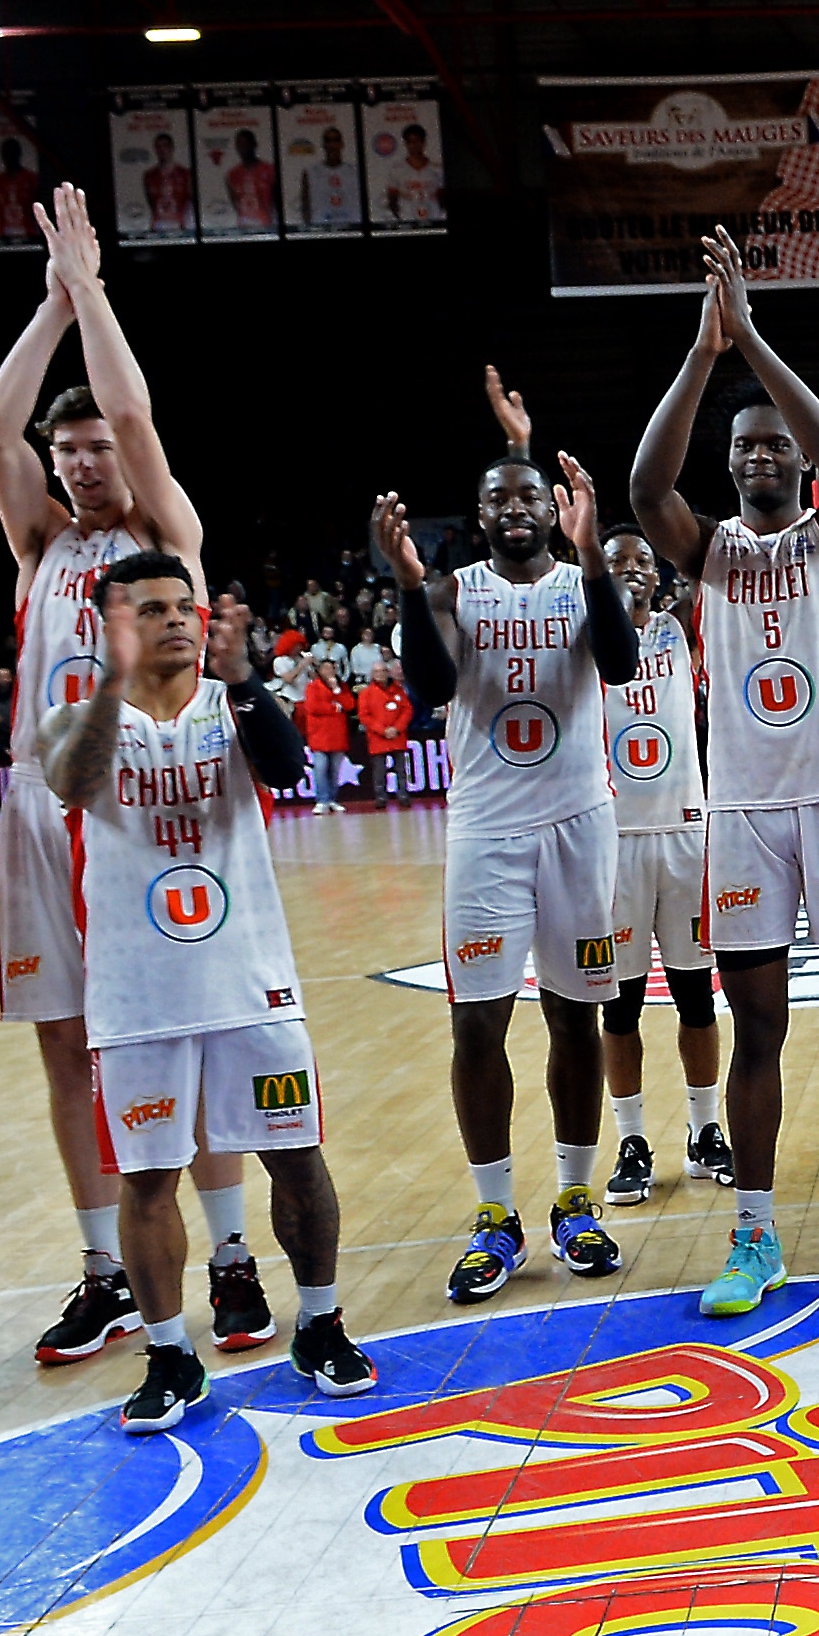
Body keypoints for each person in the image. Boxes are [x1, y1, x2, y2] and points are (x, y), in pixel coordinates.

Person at [627, 226, 819, 1310]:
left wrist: (755, 341)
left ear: (794, 463)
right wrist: (705, 355)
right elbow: (641, 486)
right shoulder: (706, 550)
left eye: (774, 446)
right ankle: (753, 1235)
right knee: (758, 1028)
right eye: (743, 448)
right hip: (746, 814)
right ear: (729, 468)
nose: (761, 456)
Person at [0, 184, 241, 1367]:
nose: (83, 463)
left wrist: (89, 290)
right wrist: (46, 308)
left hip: (151, 811)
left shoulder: (165, 533)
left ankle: (229, 1253)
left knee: (190, 1030)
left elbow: (134, 412)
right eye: (67, 449)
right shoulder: (37, 543)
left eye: (94, 448)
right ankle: (106, 1272)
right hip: (44, 808)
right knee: (64, 1044)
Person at [40, 556, 376, 1431]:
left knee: (298, 1157)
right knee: (147, 1182)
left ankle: (323, 1323)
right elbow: (71, 784)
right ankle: (169, 1354)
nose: (177, 621)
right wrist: (117, 681)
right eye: (151, 610)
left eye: (184, 607)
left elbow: (290, 769)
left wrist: (248, 679)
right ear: (111, 626)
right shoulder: (75, 719)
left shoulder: (234, 706)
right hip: (136, 998)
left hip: (250, 984)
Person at [372, 445, 638, 1306]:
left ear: (551, 507)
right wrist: (412, 585)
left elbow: (622, 661)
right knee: (477, 1026)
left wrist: (593, 551)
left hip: (579, 823)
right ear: (479, 515)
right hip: (487, 830)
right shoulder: (452, 591)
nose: (515, 506)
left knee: (576, 1013)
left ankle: (573, 1197)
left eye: (530, 495)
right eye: (499, 498)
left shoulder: (580, 579)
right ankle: (495, 1216)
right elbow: (429, 683)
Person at [596, 525, 732, 1206]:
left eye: (643, 560)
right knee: (618, 1009)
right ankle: (631, 1140)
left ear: (660, 574)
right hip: (611, 841)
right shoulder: (582, 640)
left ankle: (706, 1132)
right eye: (618, 559)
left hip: (684, 833)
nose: (632, 569)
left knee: (695, 996)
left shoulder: (684, 631)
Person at [297, 653, 353, 813]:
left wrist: (336, 691)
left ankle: (333, 799)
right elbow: (313, 707)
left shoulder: (342, 687)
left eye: (332, 668)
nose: (329, 671)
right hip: (320, 736)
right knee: (320, 768)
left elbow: (349, 704)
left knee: (335, 771)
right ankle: (322, 800)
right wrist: (335, 707)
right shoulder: (313, 687)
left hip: (338, 735)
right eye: (326, 668)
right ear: (319, 670)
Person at [357, 656, 414, 797]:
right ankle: (381, 796)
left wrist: (397, 728)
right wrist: (383, 730)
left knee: (401, 769)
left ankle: (403, 795)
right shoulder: (366, 694)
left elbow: (407, 710)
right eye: (377, 672)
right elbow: (364, 716)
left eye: (383, 671)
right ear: (372, 674)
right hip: (378, 738)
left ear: (388, 672)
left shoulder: (398, 690)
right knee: (379, 771)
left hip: (397, 736)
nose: (380, 674)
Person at [223, 128, 276, 229]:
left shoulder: (269, 170)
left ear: (254, 145)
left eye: (245, 144)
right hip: (244, 227)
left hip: (268, 226)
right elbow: (235, 202)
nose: (242, 148)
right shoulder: (232, 175)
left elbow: (275, 200)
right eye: (239, 145)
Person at [142, 132, 192, 232]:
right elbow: (150, 202)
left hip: (181, 227)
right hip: (157, 226)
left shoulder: (185, 174)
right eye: (158, 147)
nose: (162, 150)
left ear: (172, 148)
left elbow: (190, 201)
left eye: (165, 146)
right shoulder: (149, 175)